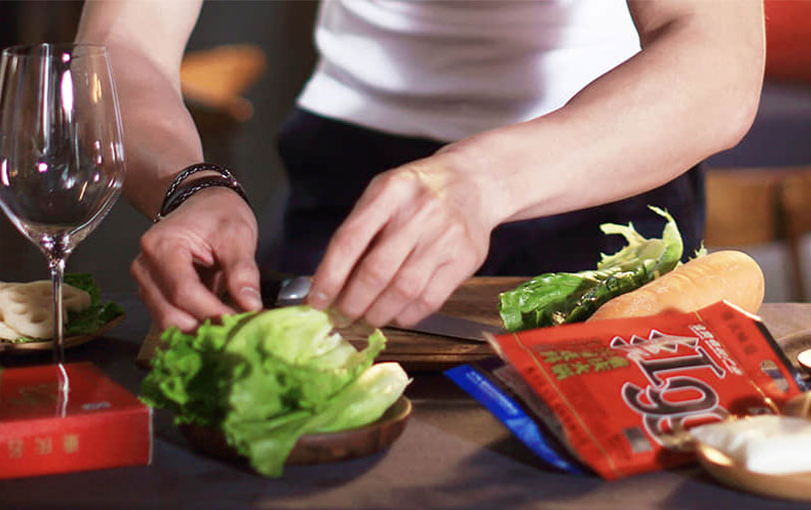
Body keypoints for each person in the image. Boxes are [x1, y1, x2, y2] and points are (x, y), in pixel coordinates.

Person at [75, 0, 765, 332]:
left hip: (599, 163)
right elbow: (119, 48)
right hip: (352, 179)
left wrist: (485, 180)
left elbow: (720, 64)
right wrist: (189, 188)